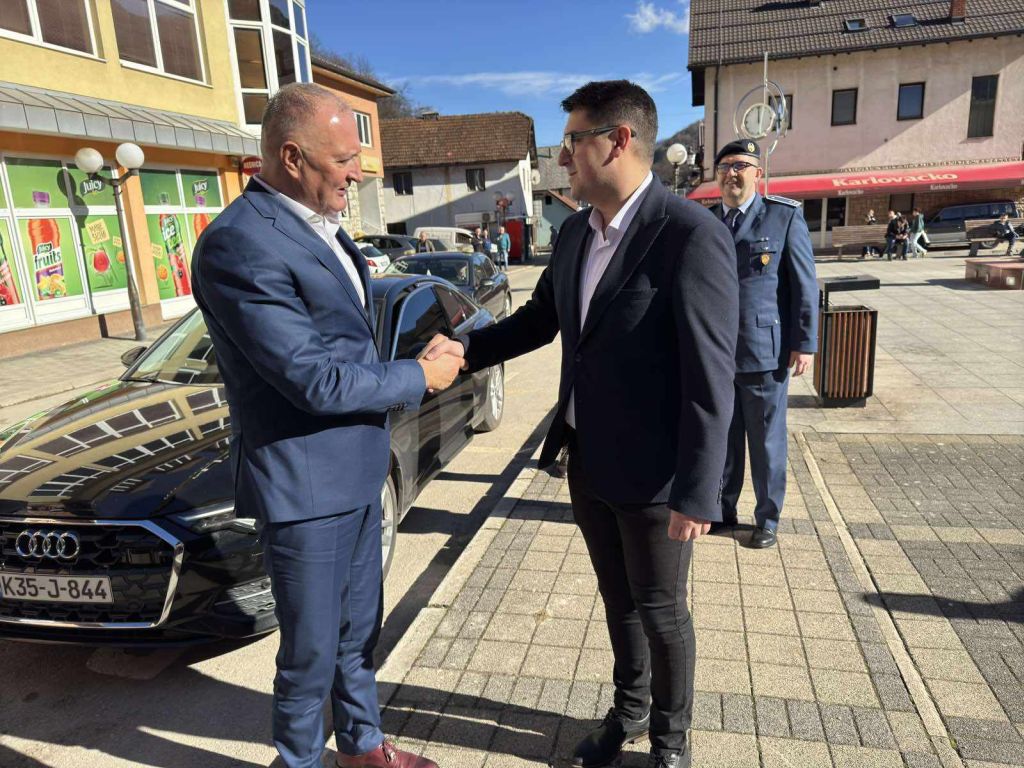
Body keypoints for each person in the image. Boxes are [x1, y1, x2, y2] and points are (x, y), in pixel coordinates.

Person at [423, 80, 738, 768]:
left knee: (661, 610)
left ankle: (671, 743)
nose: (562, 157)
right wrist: (465, 349)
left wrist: (700, 489)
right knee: (617, 600)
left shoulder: (689, 235)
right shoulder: (574, 233)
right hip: (587, 460)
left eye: (572, 141)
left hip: (656, 473)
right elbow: (539, 322)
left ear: (618, 141)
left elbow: (713, 374)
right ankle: (629, 710)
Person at [191, 83, 461, 768]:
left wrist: (411, 364)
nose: (358, 173)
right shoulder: (239, 243)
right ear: (291, 157)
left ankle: (362, 747)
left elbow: (345, 347)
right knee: (308, 656)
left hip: (358, 470)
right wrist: (417, 377)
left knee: (356, 634)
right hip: (306, 487)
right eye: (343, 160)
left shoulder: (322, 226)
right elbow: (311, 378)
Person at [711, 140, 818, 549]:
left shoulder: (783, 217)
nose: (732, 173)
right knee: (724, 440)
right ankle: (723, 510)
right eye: (725, 166)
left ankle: (767, 519)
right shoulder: (706, 221)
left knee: (766, 442)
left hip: (764, 353)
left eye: (741, 166)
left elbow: (803, 285)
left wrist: (804, 343)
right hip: (716, 353)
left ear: (758, 173)